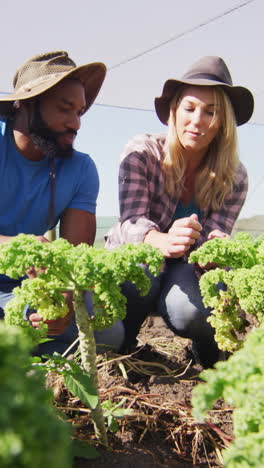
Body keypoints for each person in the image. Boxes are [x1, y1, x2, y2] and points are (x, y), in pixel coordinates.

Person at [105, 56, 254, 368]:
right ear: (174, 111)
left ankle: (208, 355)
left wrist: (212, 249)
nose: (197, 120)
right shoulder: (143, 153)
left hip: (187, 266)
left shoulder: (234, 177)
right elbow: (131, 220)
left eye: (210, 111)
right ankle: (123, 353)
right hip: (139, 254)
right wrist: (159, 239)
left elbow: (216, 235)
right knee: (141, 275)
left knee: (190, 310)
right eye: (189, 107)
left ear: (222, 122)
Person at [0, 50, 124, 355]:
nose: (76, 124)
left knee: (109, 333)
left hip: (26, 287)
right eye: (65, 109)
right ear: (26, 105)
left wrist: (64, 302)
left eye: (80, 112)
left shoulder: (80, 169)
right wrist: (17, 246)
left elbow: (74, 258)